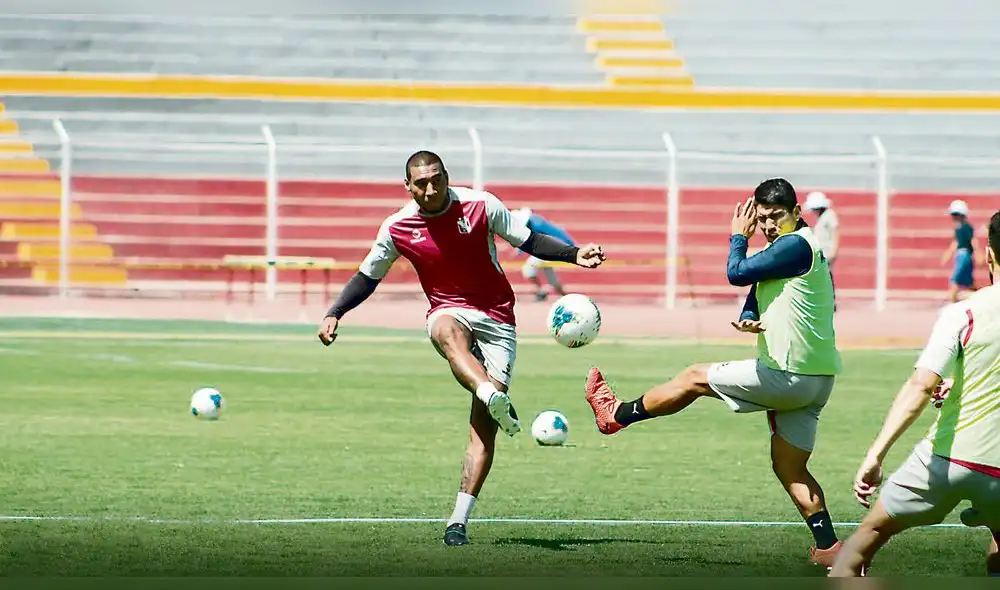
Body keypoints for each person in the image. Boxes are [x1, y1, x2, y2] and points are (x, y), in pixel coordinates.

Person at [317, 151, 606, 547]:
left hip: (499, 318)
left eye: (437, 179)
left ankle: (458, 521)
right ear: (407, 186)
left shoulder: (480, 205)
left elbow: (529, 239)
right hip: (449, 310)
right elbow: (368, 276)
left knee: (482, 429)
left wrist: (575, 254)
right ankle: (489, 393)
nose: (431, 188)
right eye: (421, 183)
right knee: (446, 332)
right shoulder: (397, 227)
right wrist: (336, 312)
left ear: (447, 176)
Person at [584, 178, 844, 568]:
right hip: (818, 380)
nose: (769, 225)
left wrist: (738, 237)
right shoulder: (794, 248)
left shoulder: (793, 245)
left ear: (795, 213)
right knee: (789, 466)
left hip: (787, 376)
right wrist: (749, 316)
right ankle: (831, 549)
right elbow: (758, 288)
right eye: (762, 218)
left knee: (693, 376)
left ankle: (616, 414)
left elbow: (738, 273)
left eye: (776, 217)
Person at [829, 209, 1000, 578]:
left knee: (865, 538)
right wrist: (964, 383)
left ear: (988, 254)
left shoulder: (964, 313)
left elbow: (921, 385)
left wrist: (875, 456)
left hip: (950, 458)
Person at [511, 207, 575, 301]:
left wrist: (568, 246)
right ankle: (565, 296)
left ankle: (540, 291)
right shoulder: (533, 222)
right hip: (551, 247)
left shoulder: (537, 223)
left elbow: (554, 234)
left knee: (528, 269)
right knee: (550, 276)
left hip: (553, 247)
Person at [804, 191, 839, 309]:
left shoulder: (829, 215)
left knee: (826, 276)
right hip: (821, 251)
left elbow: (835, 232)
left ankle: (830, 301)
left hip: (827, 252)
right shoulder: (822, 217)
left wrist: (834, 250)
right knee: (823, 275)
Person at [941, 199, 981, 303]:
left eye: (956, 214)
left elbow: (973, 241)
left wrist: (977, 253)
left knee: (955, 280)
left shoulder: (967, 227)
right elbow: (955, 243)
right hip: (961, 256)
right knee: (969, 283)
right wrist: (948, 254)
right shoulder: (958, 229)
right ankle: (982, 297)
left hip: (964, 256)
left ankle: (951, 303)